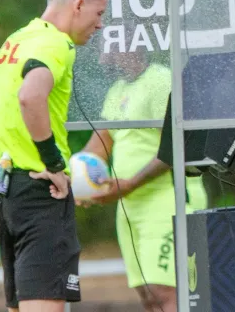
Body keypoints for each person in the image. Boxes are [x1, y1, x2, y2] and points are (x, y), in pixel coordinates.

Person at [0, 0, 113, 312]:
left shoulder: (15, 42)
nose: (100, 24)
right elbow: (30, 95)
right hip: (41, 194)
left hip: (6, 196)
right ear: (79, 4)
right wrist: (54, 163)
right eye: (100, 13)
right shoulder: (56, 44)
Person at [79, 42, 207, 312]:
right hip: (130, 206)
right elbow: (97, 146)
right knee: (148, 296)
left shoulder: (160, 81)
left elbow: (179, 144)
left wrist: (130, 184)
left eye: (108, 51)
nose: (102, 60)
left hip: (168, 202)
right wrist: (78, 184)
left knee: (165, 292)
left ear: (130, 47)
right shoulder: (117, 90)